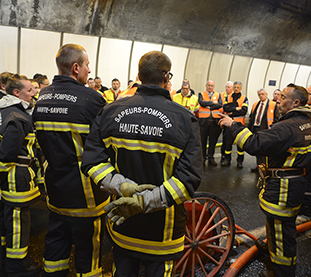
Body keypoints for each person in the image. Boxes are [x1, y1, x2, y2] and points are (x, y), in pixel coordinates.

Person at [81, 50, 202, 277]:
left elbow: (92, 163)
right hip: (162, 233)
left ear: (138, 75)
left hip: (123, 224)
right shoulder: (185, 119)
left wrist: (122, 187)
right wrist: (143, 202)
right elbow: (188, 180)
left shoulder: (109, 111)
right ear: (167, 77)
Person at [219, 83, 311, 277]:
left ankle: (281, 273)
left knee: (281, 237)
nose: (278, 100)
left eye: (284, 97)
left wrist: (234, 125)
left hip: (283, 190)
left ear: (296, 102)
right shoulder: (310, 124)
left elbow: (254, 144)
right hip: (296, 185)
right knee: (282, 232)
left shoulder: (288, 127)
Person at [32, 44, 107, 277]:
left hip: (55, 187)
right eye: (87, 66)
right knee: (89, 253)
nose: (89, 71)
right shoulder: (92, 99)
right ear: (76, 68)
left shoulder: (42, 96)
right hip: (85, 194)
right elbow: (106, 144)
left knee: (55, 245)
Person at [0, 74, 42, 277]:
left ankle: (5, 256)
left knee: (7, 219)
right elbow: (7, 153)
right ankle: (17, 266)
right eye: (29, 90)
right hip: (16, 179)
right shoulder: (18, 117)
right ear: (17, 93)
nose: (33, 93)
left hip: (8, 178)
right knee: (18, 222)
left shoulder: (4, 111)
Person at [248, 88, 279, 172]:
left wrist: (272, 128)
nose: (261, 96)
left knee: (264, 150)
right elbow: (252, 117)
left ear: (266, 94)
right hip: (256, 128)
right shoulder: (255, 104)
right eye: (259, 94)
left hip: (266, 130)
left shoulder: (273, 105)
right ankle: (259, 167)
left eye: (262, 94)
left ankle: (265, 168)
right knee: (257, 149)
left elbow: (277, 118)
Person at [222, 81, 249, 168]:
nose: (236, 89)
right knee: (227, 143)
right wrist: (236, 108)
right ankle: (227, 160)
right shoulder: (228, 97)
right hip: (229, 125)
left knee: (240, 144)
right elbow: (225, 108)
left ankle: (240, 161)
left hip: (239, 125)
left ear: (240, 88)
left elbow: (244, 111)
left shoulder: (244, 98)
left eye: (238, 87)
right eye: (235, 87)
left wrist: (231, 112)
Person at [298, 85, 311, 217]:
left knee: (308, 177)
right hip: (307, 150)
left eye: (308, 93)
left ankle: (306, 208)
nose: (306, 96)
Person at [198, 80, 222, 166]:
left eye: (211, 85)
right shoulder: (201, 94)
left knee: (213, 141)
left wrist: (208, 106)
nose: (210, 87)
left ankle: (211, 157)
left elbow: (219, 104)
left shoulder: (218, 94)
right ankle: (203, 157)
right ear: (206, 85)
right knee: (203, 140)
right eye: (208, 85)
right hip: (203, 121)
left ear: (214, 86)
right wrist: (212, 103)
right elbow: (201, 102)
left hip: (214, 121)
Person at [220, 81, 233, 163]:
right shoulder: (221, 95)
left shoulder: (234, 97)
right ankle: (223, 155)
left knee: (228, 139)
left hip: (230, 121)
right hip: (221, 119)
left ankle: (227, 158)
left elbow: (231, 108)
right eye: (226, 87)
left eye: (229, 87)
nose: (227, 88)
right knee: (224, 139)